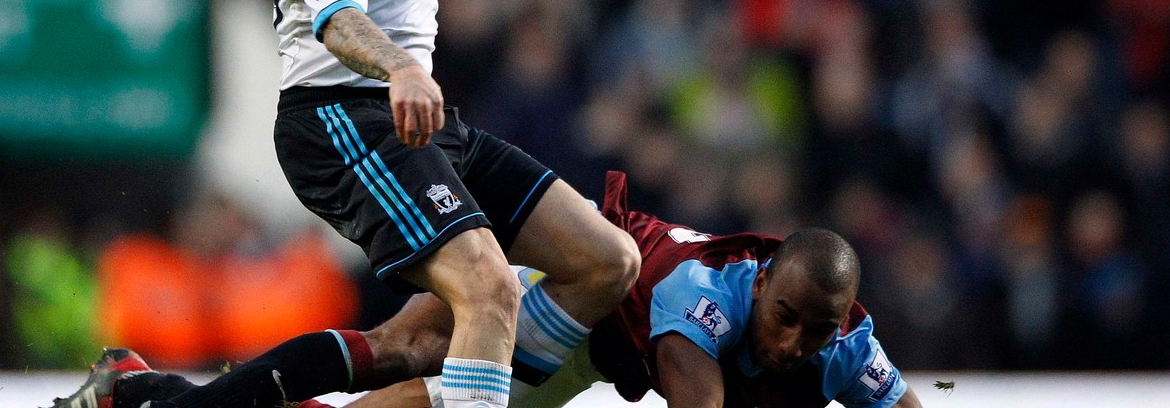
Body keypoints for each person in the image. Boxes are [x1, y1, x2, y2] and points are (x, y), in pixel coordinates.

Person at [49, 0, 638, 407]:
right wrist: (401, 69)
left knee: (606, 261)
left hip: (417, 120)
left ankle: (146, 396)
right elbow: (338, 18)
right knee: (488, 291)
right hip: (341, 119)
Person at [347, 170, 925, 408]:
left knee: (412, 358)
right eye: (786, 316)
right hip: (580, 313)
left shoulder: (850, 349)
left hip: (601, 352)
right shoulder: (703, 298)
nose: (797, 343)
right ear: (762, 282)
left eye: (821, 329)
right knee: (426, 374)